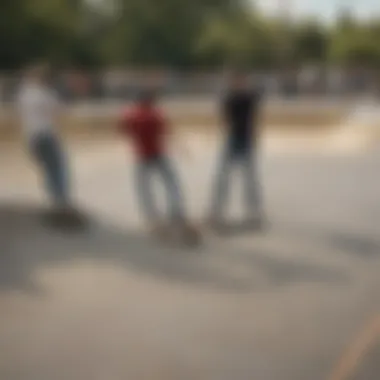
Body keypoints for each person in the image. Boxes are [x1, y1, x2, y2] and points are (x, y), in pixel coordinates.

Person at [119, 89, 192, 236]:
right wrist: (183, 149)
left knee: (144, 189)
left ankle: (152, 218)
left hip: (142, 156)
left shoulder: (132, 116)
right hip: (158, 154)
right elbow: (166, 132)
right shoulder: (155, 115)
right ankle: (176, 212)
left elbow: (123, 130)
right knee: (171, 184)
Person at [209, 71, 264, 229]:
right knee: (223, 178)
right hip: (232, 139)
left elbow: (255, 116)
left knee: (250, 179)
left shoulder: (249, 97)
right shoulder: (229, 98)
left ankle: (254, 212)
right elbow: (224, 118)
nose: (238, 84)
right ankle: (217, 211)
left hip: (245, 139)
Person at [17, 64, 71, 211]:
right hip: (47, 134)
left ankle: (53, 199)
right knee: (57, 167)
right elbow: (60, 111)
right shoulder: (47, 94)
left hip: (31, 136)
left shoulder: (24, 94)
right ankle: (60, 200)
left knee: (47, 168)